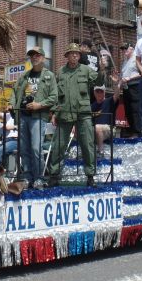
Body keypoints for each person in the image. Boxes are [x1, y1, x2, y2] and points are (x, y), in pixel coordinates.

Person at [47, 43, 104, 187]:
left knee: (87, 144)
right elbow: (55, 95)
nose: (74, 55)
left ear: (79, 56)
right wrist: (54, 112)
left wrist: (102, 69)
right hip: (64, 112)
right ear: (67, 56)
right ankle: (54, 175)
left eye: (77, 53)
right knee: (59, 145)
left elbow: (98, 81)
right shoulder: (60, 72)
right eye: (71, 53)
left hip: (83, 112)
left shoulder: (86, 70)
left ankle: (90, 176)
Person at [9, 46, 58, 188]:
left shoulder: (49, 75)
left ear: (43, 58)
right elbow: (15, 91)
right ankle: (27, 177)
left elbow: (54, 97)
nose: (34, 58)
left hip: (38, 116)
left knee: (36, 148)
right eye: (32, 56)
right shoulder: (24, 76)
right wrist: (12, 104)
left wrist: (39, 105)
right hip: (23, 116)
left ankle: (39, 178)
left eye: (37, 55)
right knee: (24, 149)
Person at [118, 42, 142, 138]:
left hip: (134, 86)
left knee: (135, 109)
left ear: (131, 49)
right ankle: (132, 130)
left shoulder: (136, 59)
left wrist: (130, 78)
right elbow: (122, 76)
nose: (124, 51)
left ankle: (137, 131)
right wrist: (118, 81)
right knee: (128, 110)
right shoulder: (124, 62)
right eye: (122, 49)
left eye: (125, 49)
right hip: (126, 88)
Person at [91, 83, 119, 158]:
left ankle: (101, 152)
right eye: (97, 91)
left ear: (104, 92)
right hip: (95, 131)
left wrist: (117, 84)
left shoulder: (109, 101)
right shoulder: (92, 106)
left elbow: (116, 95)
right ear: (94, 92)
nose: (99, 93)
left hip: (109, 129)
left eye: (101, 91)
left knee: (97, 128)